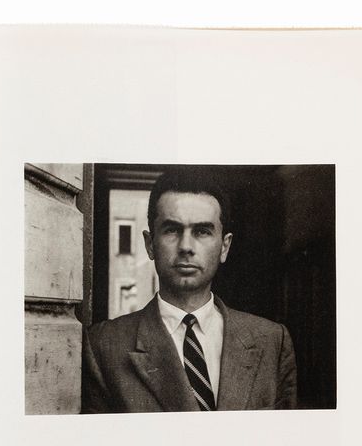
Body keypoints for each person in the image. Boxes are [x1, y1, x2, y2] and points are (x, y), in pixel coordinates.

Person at [82, 170, 297, 413]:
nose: (186, 246)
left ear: (224, 247)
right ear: (150, 244)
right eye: (172, 230)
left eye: (202, 231)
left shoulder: (271, 342)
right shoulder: (103, 347)